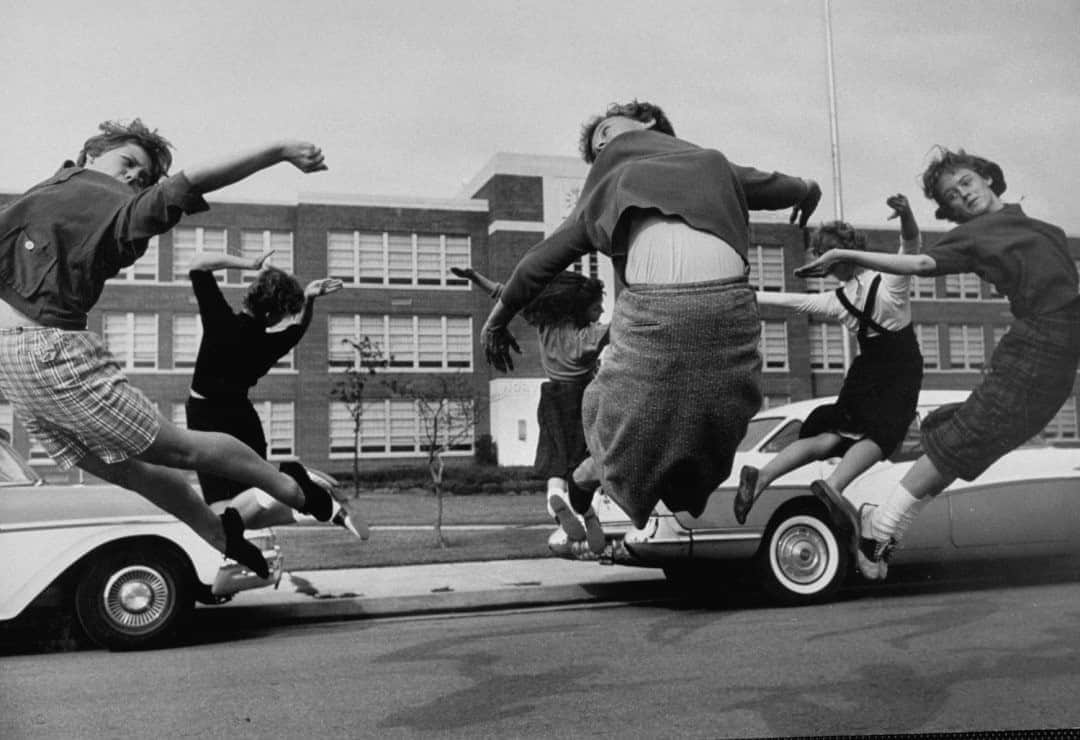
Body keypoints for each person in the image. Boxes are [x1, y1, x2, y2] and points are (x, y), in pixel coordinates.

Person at [0, 118, 336, 578]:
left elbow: (191, 182)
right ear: (87, 156)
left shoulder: (122, 211)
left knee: (173, 449)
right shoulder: (49, 189)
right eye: (128, 163)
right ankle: (220, 533)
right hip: (12, 364)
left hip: (47, 352)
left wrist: (276, 149)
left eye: (144, 177)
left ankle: (293, 489)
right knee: (126, 471)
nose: (134, 177)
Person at [480, 100, 821, 536]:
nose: (601, 142)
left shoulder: (711, 163)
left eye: (605, 129)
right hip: (653, 314)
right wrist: (498, 316)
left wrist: (807, 189)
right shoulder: (609, 179)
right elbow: (538, 262)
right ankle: (585, 478)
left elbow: (776, 185)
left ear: (648, 121)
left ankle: (618, 479)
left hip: (729, 313)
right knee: (627, 417)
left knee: (717, 424)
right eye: (595, 145)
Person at [796, 147, 1080, 579]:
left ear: (987, 177)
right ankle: (882, 527)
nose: (962, 195)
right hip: (1038, 342)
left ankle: (884, 520)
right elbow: (921, 261)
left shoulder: (1045, 229)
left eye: (966, 183)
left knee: (1002, 430)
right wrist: (848, 258)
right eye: (951, 196)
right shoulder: (972, 236)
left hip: (1066, 342)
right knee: (969, 435)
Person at [734, 199, 924, 580]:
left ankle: (764, 475)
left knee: (832, 435)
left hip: (863, 371)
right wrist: (904, 214)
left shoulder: (835, 300)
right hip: (900, 371)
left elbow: (791, 300)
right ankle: (835, 485)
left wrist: (744, 296)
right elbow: (911, 245)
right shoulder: (889, 282)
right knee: (882, 436)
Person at [185, 251, 366, 537]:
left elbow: (199, 264)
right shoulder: (270, 344)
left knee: (224, 510)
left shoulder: (219, 320)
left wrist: (250, 264)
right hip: (243, 420)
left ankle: (293, 481)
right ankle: (326, 508)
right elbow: (298, 328)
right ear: (271, 315)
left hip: (207, 419)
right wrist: (308, 298)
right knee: (252, 504)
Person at [452, 266, 609, 554]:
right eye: (597, 306)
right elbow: (627, 328)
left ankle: (553, 495)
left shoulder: (543, 322)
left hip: (551, 397)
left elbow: (505, 294)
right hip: (583, 400)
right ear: (580, 309)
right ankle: (587, 513)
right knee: (587, 461)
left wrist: (475, 277)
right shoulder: (590, 336)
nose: (601, 310)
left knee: (555, 458)